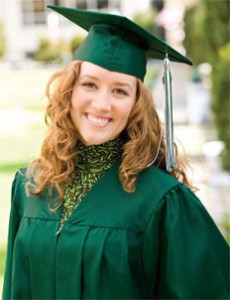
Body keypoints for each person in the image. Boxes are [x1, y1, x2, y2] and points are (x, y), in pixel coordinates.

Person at [3, 5, 229, 300]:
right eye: (90, 84)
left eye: (120, 91)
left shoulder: (162, 202)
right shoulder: (30, 186)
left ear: (137, 104)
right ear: (70, 91)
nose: (101, 104)